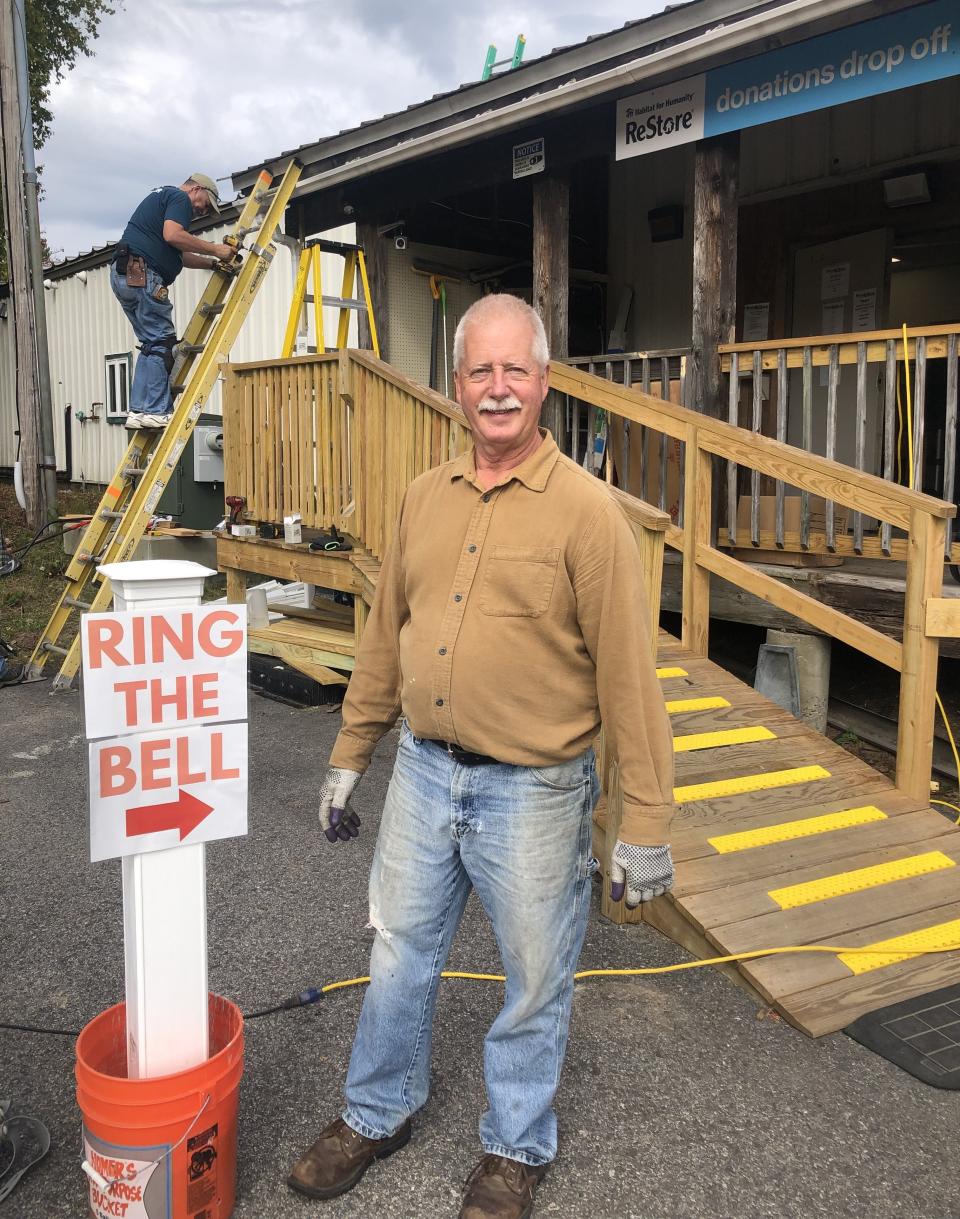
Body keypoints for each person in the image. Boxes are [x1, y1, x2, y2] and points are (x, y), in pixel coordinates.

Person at [289, 293, 677, 1219]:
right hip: (424, 773)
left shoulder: (590, 515)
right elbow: (385, 637)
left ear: (543, 383)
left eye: (516, 370)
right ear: (456, 384)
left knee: (535, 977)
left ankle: (513, 1149)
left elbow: (630, 678)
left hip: (537, 792)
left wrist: (646, 824)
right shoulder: (424, 497)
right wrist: (352, 753)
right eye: (480, 370)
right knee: (397, 954)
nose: (497, 388)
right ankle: (377, 1112)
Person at [110, 174, 235, 430]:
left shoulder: (161, 198)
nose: (202, 210)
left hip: (126, 274)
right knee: (162, 343)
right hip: (143, 274)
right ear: (196, 188)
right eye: (205, 202)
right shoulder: (178, 197)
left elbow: (179, 254)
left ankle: (139, 411)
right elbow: (173, 235)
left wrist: (212, 263)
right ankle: (156, 410)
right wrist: (216, 249)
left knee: (150, 344)